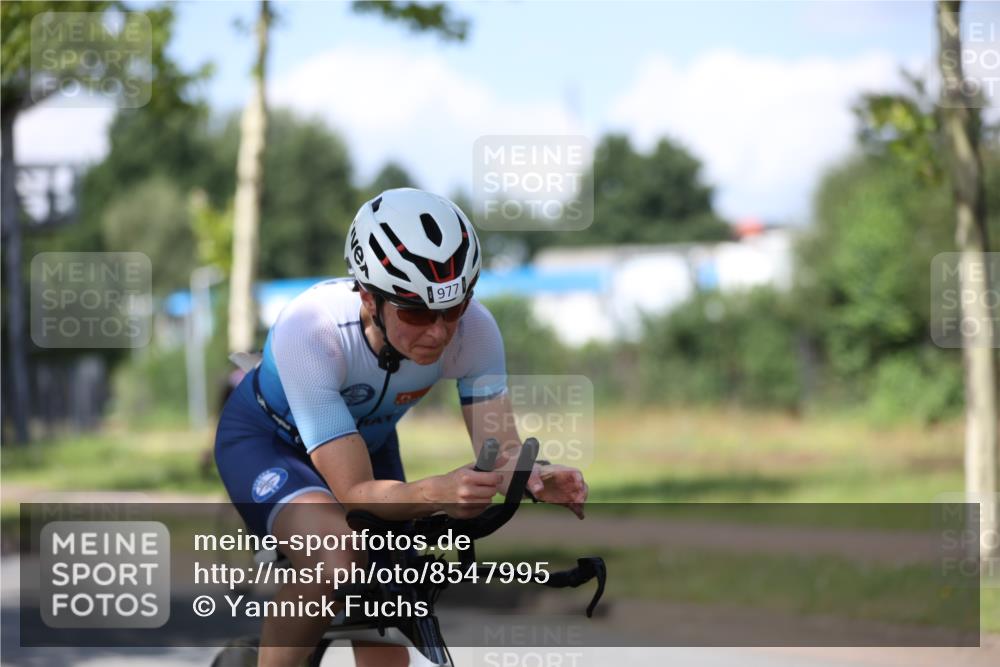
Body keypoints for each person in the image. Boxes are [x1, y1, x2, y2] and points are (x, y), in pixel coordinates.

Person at [214, 188, 589, 667]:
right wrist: (438, 491)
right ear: (369, 298)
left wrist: (532, 475)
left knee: (396, 590)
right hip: (269, 443)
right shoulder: (312, 329)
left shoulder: (475, 330)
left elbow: (500, 445)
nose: (438, 331)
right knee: (337, 554)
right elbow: (355, 492)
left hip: (364, 441)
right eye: (415, 312)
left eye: (452, 309)